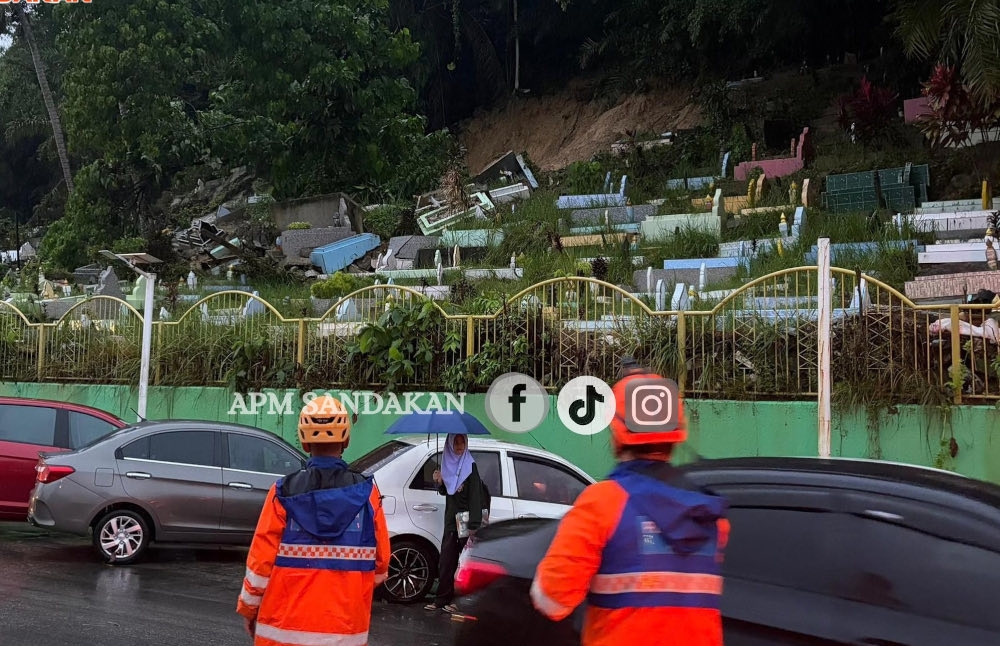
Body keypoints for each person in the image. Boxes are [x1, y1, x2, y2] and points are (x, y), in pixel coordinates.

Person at [530, 358, 730, 646]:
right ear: (675, 436)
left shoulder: (601, 505)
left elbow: (549, 599)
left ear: (616, 434)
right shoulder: (711, 517)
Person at [236, 395, 390, 646]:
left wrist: (249, 609)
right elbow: (381, 566)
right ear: (346, 440)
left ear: (305, 443)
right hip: (345, 633)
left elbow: (259, 566)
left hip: (281, 633)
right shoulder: (367, 495)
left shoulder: (281, 494)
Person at [424, 432, 485, 614]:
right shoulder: (448, 465)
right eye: (456, 443)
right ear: (450, 445)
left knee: (464, 564)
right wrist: (440, 481)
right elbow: (447, 492)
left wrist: (474, 525)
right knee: (447, 562)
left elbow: (476, 497)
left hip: (466, 521)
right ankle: (441, 599)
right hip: (451, 521)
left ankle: (459, 602)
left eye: (462, 442)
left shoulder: (469, 466)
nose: (459, 446)